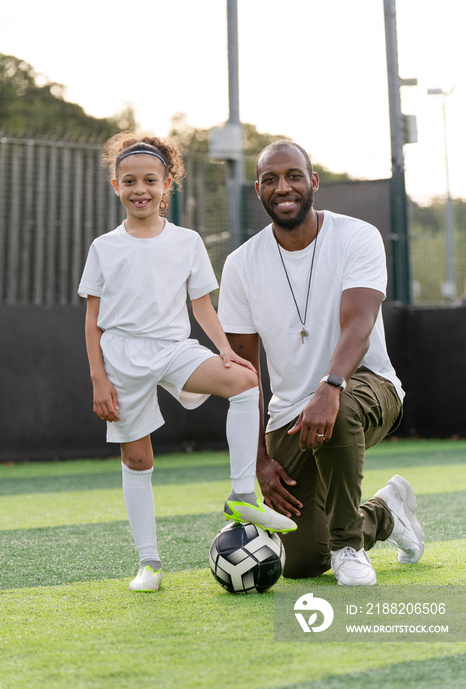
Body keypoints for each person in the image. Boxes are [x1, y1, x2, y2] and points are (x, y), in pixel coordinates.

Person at [78, 132, 296, 592]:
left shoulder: (188, 241)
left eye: (150, 180)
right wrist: (99, 378)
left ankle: (241, 498)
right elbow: (93, 321)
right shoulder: (104, 247)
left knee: (245, 380)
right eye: (130, 181)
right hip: (122, 360)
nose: (140, 189)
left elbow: (201, 307)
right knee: (137, 460)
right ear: (115, 186)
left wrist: (225, 349)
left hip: (174, 349)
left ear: (167, 184)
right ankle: (150, 565)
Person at [218, 140, 424, 586]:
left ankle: (350, 545)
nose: (283, 187)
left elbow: (359, 323)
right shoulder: (240, 265)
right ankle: (387, 513)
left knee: (339, 407)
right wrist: (258, 459)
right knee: (302, 561)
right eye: (270, 179)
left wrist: (330, 386)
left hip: (367, 385)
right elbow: (245, 374)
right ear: (258, 190)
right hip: (289, 415)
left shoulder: (357, 236)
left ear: (312, 182)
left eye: (293, 175)